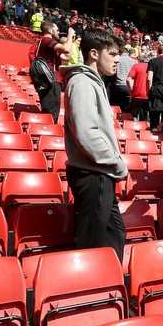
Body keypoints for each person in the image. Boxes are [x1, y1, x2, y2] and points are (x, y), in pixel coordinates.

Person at [61, 28, 128, 261]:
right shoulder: (81, 82)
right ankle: (86, 293)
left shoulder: (93, 82)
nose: (118, 59)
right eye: (112, 54)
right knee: (91, 246)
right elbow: (87, 134)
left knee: (113, 237)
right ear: (94, 54)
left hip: (100, 173)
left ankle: (109, 290)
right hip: (92, 173)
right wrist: (117, 163)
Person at [35, 20, 73, 123]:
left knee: (54, 109)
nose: (59, 32)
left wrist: (71, 41)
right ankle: (48, 129)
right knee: (51, 112)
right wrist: (69, 35)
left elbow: (67, 56)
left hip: (52, 81)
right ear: (50, 30)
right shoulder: (46, 40)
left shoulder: (48, 45)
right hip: (50, 81)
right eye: (57, 30)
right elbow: (66, 49)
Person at [127, 54, 150, 122]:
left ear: (140, 59)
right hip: (148, 94)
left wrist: (131, 90)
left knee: (133, 116)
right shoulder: (152, 67)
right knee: (146, 116)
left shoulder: (136, 66)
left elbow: (128, 79)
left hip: (137, 94)